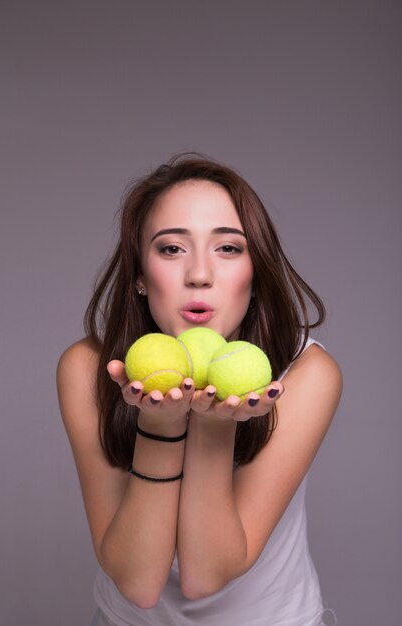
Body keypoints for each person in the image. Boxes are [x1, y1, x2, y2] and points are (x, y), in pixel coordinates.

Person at [56, 153, 342, 626]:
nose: (200, 275)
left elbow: (206, 574)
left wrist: (211, 423)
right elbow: (138, 583)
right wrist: (161, 423)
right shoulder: (89, 367)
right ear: (141, 277)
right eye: (171, 249)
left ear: (256, 270)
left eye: (228, 248)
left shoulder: (306, 372)